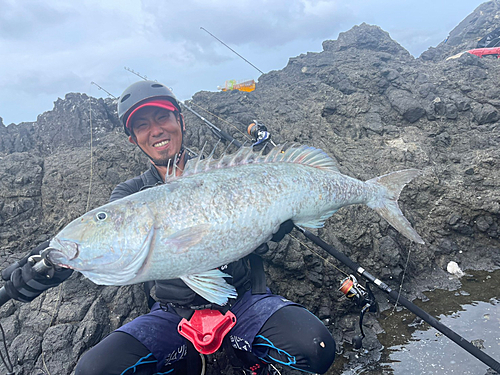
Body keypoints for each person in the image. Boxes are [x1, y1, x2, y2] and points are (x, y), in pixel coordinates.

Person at [4, 80, 336, 375]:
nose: (156, 130)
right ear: (133, 139)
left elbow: (266, 210)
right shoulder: (130, 196)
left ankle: (248, 359)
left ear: (181, 121)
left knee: (315, 347)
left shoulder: (227, 174)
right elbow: (104, 239)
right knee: (94, 369)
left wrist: (272, 224)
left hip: (243, 301)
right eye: (143, 126)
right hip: (172, 315)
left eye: (162, 117)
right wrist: (50, 262)